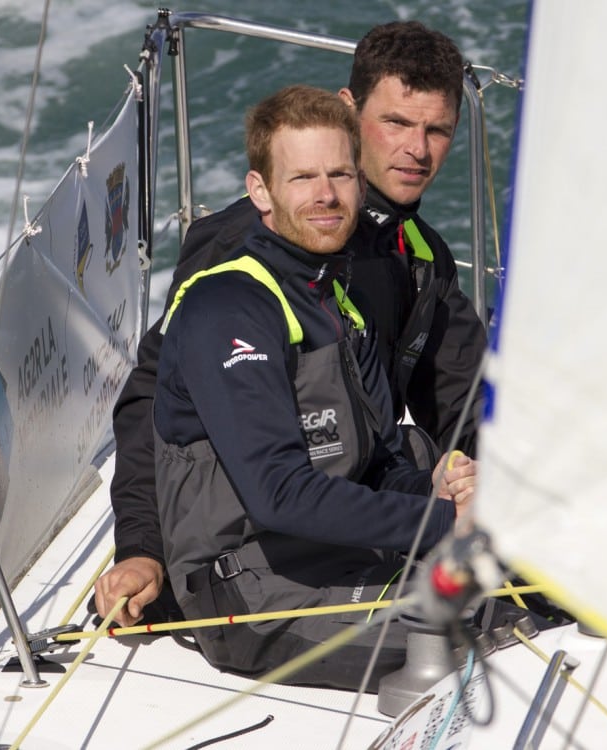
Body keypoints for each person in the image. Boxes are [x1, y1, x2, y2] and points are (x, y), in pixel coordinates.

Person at [95, 21, 487, 628]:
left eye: (437, 130)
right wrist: (142, 547)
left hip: (359, 499)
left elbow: (458, 397)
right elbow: (153, 401)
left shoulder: (418, 257)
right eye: (397, 124)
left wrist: (501, 489)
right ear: (349, 113)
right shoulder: (247, 253)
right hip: (257, 541)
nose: (417, 149)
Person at [153, 84, 477, 689]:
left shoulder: (335, 299)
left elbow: (374, 461)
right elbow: (279, 494)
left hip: (330, 555)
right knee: (476, 622)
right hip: (247, 596)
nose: (326, 194)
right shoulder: (229, 308)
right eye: (302, 177)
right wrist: (438, 523)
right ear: (261, 192)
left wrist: (437, 491)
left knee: (519, 576)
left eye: (340, 174)